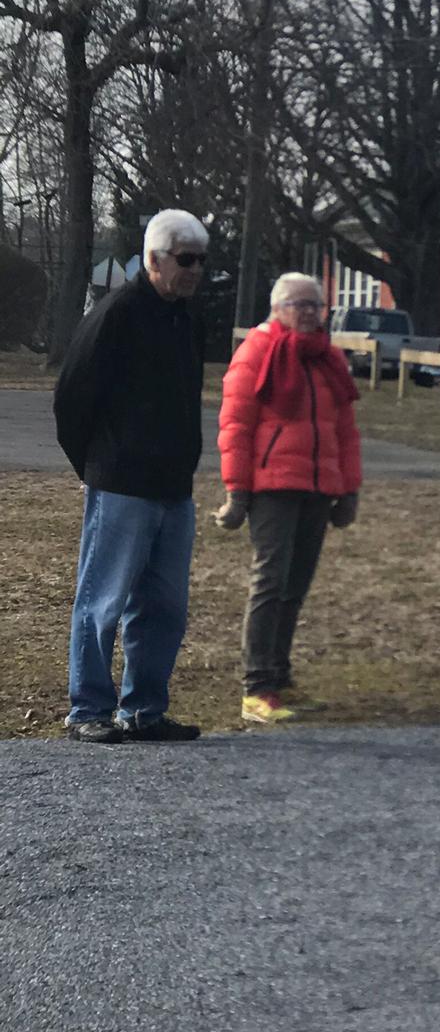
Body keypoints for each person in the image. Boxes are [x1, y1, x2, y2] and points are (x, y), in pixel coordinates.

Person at [54, 209, 210, 744]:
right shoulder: (116, 313)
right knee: (102, 600)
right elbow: (72, 396)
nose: (195, 271)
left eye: (201, 261)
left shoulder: (188, 318)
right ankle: (88, 709)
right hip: (121, 482)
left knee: (164, 607)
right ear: (154, 258)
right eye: (185, 259)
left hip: (173, 488)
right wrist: (94, 468)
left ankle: (143, 708)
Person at [216, 272, 362, 725]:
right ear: (277, 309)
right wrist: (237, 493)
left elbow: (345, 432)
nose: (309, 313)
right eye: (300, 305)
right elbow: (235, 429)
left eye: (316, 306)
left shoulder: (329, 359)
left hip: (317, 489)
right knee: (270, 584)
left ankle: (279, 678)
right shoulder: (257, 353)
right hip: (272, 489)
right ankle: (256, 688)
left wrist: (348, 489)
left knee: (295, 588)